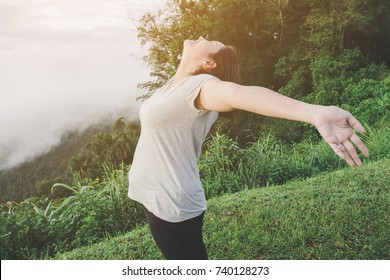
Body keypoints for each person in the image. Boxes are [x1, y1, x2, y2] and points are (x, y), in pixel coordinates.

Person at [128, 36, 369, 260]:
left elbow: (239, 94)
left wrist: (315, 113)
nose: (203, 37)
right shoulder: (173, 85)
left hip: (171, 202)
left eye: (211, 41)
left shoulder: (203, 86)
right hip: (152, 194)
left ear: (208, 62)